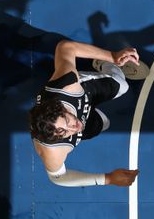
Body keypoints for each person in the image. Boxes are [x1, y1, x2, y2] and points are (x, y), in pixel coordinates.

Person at [28, 39, 141, 187]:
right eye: (64, 132)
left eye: (67, 122)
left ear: (61, 108)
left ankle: (102, 64)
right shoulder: (52, 151)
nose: (75, 129)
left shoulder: (66, 85)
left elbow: (65, 47)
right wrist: (107, 179)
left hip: (83, 92)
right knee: (104, 123)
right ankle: (87, 115)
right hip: (84, 114)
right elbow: (58, 178)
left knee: (122, 85)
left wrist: (112, 56)